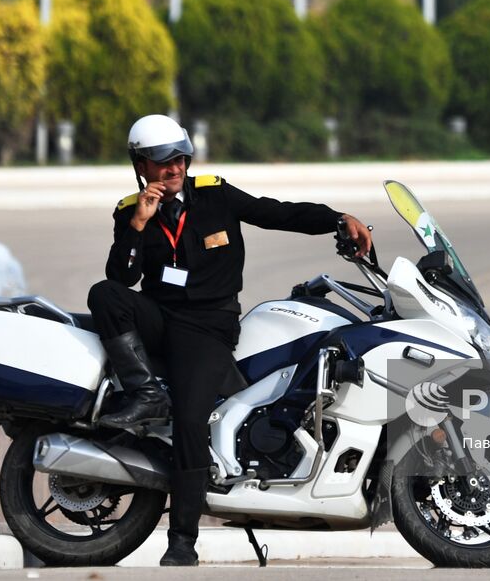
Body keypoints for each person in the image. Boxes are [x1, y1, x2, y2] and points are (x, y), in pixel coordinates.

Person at [87, 114, 372, 567]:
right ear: (141, 165)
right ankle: (143, 393)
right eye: (162, 162)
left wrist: (337, 219)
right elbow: (123, 276)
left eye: (180, 157)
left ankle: (182, 541)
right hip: (161, 316)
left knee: (190, 418)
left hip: (207, 328)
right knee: (104, 294)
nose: (174, 168)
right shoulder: (129, 210)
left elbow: (278, 213)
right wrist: (139, 224)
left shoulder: (215, 194)